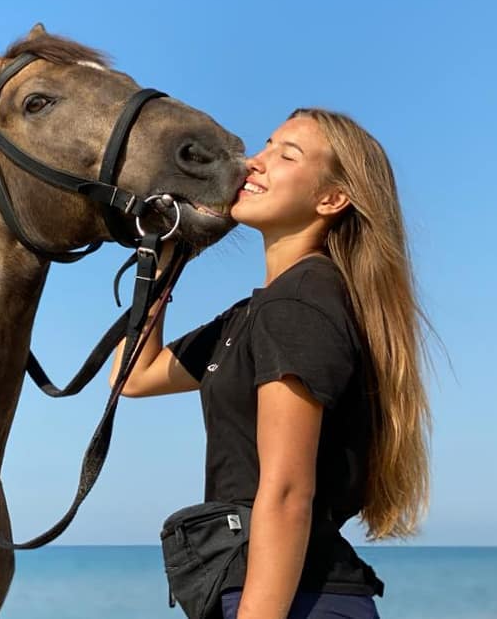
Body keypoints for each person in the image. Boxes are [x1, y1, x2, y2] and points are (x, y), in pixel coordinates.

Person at [109, 108, 431, 619]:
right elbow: (134, 375)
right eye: (266, 146)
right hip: (287, 592)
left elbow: (285, 492)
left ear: (331, 199)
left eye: (288, 154)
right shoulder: (263, 310)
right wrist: (167, 256)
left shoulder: (297, 306)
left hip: (295, 599)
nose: (254, 163)